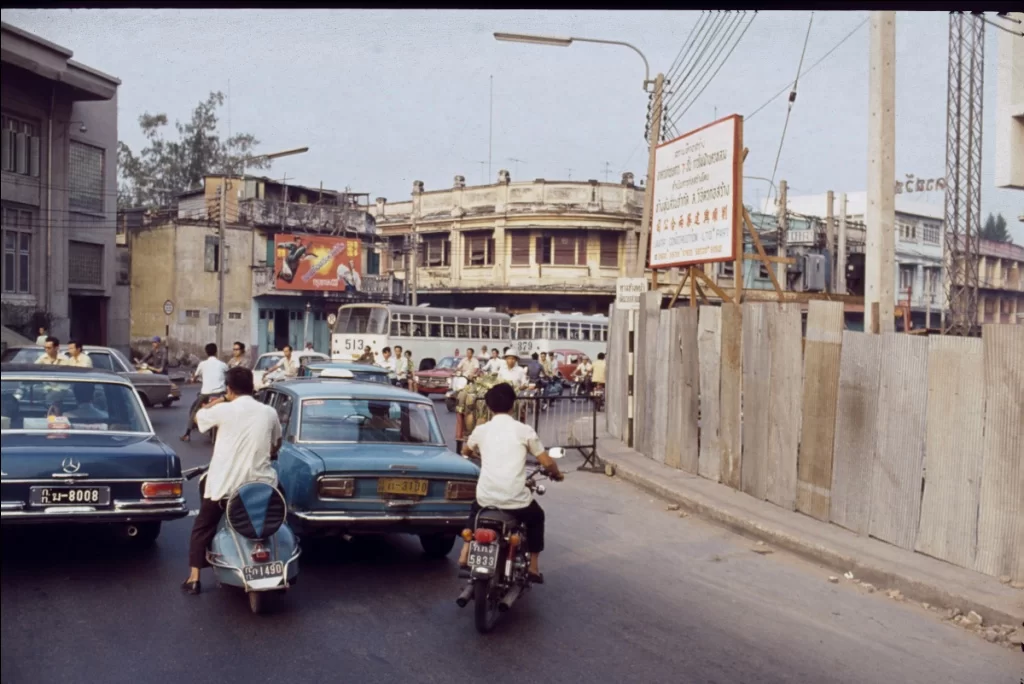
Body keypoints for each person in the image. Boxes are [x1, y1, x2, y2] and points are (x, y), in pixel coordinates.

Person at [182, 367, 282, 595]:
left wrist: (220, 400)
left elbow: (198, 417)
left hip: (224, 488)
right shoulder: (269, 412)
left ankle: (194, 577)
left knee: (203, 526)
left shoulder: (224, 410)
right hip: (262, 486)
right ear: (252, 387)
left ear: (229, 388)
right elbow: (276, 444)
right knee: (281, 514)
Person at [457, 383, 563, 583]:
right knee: (536, 517)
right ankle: (533, 565)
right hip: (516, 500)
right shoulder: (524, 430)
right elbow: (547, 462)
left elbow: (465, 452)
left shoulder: (481, 430)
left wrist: (476, 452)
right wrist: (557, 474)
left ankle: (465, 550)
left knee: (475, 509)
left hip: (486, 498)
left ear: (489, 407)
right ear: (512, 406)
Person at [181, 343, 229, 443]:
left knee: (194, 411)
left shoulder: (202, 364)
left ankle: (187, 434)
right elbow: (228, 375)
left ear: (206, 353)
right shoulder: (222, 364)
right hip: (220, 393)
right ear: (216, 352)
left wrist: (193, 379)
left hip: (205, 393)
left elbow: (194, 377)